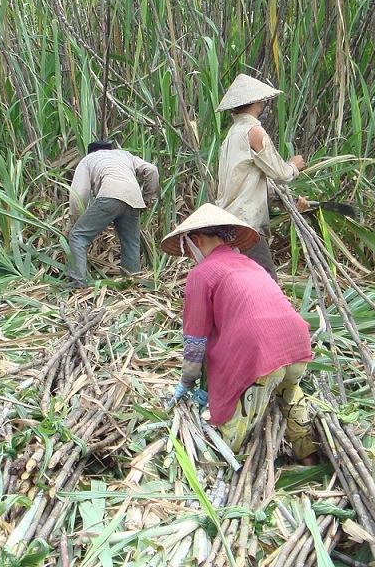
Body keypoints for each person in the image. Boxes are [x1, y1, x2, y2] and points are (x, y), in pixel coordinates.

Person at [162, 203, 318, 464]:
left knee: (228, 440)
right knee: (290, 394)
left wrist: (187, 382)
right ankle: (308, 457)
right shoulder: (251, 265)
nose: (190, 255)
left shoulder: (202, 273)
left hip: (260, 353)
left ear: (197, 240)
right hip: (297, 344)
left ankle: (224, 470)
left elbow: (195, 340)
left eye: (188, 249)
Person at [215, 73, 310, 280]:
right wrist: (294, 166)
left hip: (227, 221)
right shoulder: (253, 131)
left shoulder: (231, 136)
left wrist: (290, 203)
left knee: (241, 282)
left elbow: (251, 182)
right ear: (257, 102)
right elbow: (280, 173)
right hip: (246, 223)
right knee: (266, 282)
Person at [67, 140, 159, 288]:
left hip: (110, 195)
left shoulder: (88, 160)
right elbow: (152, 170)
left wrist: (74, 223)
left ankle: (77, 283)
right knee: (130, 244)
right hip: (134, 199)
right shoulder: (125, 155)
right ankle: (131, 286)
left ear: (91, 152)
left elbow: (79, 194)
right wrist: (147, 198)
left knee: (78, 236)